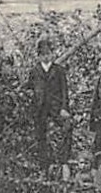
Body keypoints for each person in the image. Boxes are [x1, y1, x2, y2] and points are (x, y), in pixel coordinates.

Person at [28, 39, 70, 169]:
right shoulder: (34, 71)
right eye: (43, 54)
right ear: (38, 56)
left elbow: (64, 91)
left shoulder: (59, 70)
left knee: (67, 127)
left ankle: (64, 160)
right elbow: (30, 88)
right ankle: (44, 164)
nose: (46, 56)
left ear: (52, 54)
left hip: (56, 106)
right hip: (40, 107)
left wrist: (64, 108)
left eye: (48, 53)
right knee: (40, 135)